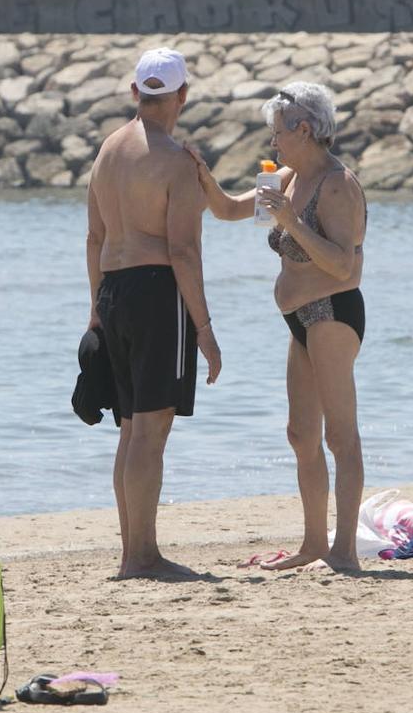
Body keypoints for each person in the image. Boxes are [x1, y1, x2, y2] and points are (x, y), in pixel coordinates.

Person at [188, 82, 368, 572]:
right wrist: (199, 173)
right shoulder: (286, 176)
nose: (273, 142)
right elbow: (227, 209)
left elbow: (343, 268)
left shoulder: (337, 185)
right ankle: (313, 544)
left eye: (278, 132)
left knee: (340, 437)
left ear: (304, 129)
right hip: (298, 319)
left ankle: (345, 550)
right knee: (300, 434)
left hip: (332, 312)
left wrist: (290, 221)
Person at [86, 48, 222, 580]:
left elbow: (94, 237)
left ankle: (131, 552)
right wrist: (205, 331)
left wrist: (94, 310)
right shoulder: (173, 161)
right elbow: (184, 252)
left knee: (129, 429)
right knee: (151, 430)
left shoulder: (108, 150)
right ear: (183, 95)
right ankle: (142, 556)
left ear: (135, 92)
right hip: (157, 294)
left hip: (113, 291)